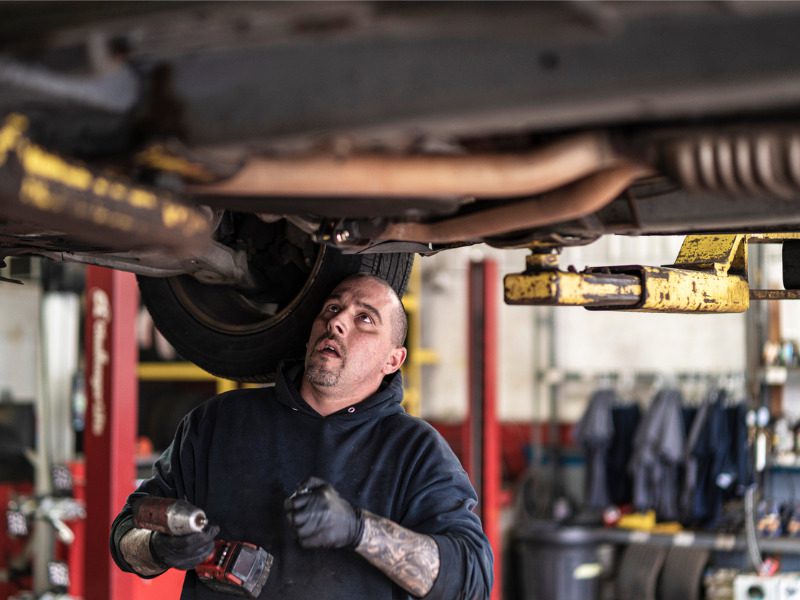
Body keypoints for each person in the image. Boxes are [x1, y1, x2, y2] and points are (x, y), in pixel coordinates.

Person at [110, 273, 493, 599]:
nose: (338, 322)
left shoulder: (414, 450)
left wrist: (359, 529)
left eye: (365, 319)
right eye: (332, 309)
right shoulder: (219, 422)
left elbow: (472, 579)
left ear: (392, 360)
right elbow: (126, 536)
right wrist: (158, 548)